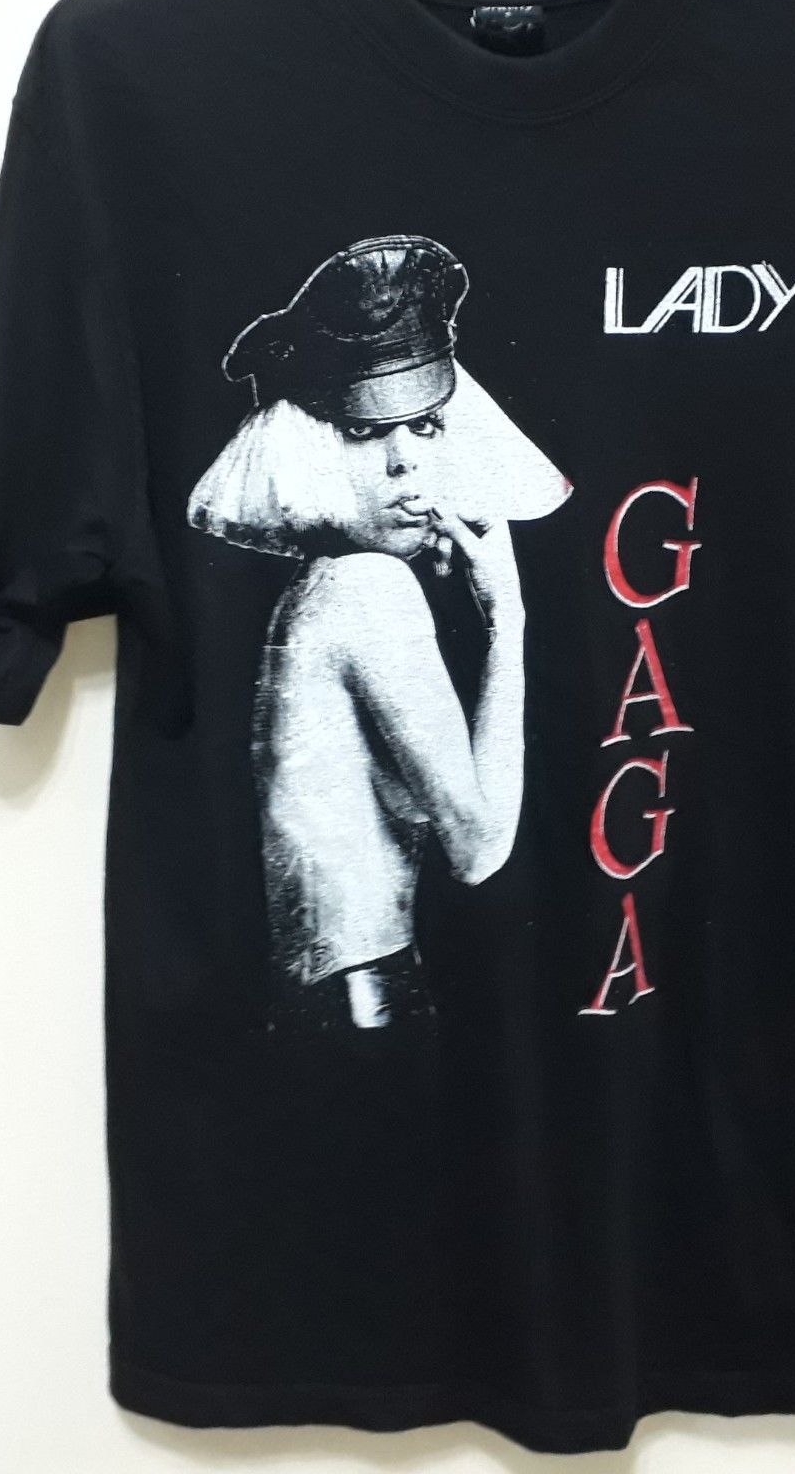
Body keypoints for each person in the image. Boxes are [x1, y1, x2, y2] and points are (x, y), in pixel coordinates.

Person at [186, 234, 571, 1030]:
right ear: (308, 446)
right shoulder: (368, 588)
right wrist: (509, 618)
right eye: (364, 432)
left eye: (425, 426)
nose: (405, 464)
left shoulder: (320, 591)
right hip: (362, 1013)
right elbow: (479, 849)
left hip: (332, 1005)